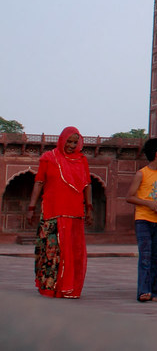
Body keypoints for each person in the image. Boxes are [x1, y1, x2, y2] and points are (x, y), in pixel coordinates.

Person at [25, 126, 92, 298]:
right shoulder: (49, 157)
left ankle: (70, 288)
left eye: (75, 142)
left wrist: (89, 208)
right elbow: (39, 182)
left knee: (73, 252)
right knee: (53, 252)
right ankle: (51, 287)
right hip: (53, 211)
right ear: (62, 140)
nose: (71, 145)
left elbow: (87, 185)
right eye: (68, 141)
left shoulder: (81, 160)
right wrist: (31, 207)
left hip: (75, 211)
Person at [126, 137, 157, 302]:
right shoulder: (142, 173)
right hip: (143, 219)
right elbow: (129, 197)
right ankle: (143, 291)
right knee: (145, 255)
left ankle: (154, 291)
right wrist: (149, 204)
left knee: (156, 257)